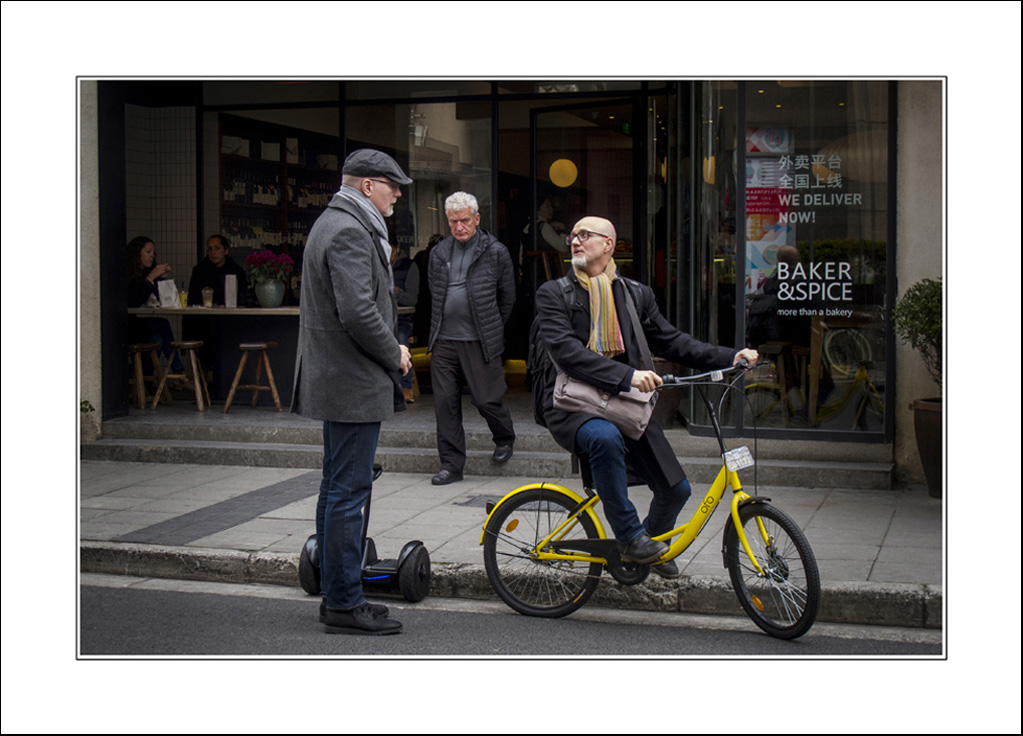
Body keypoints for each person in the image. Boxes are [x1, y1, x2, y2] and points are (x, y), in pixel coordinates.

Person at [534, 216, 758, 577]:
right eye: (572, 236)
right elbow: (567, 353)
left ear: (608, 244)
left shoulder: (635, 293)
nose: (574, 241)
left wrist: (729, 356)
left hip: (623, 402)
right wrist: (628, 375)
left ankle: (647, 552)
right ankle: (629, 538)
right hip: (571, 403)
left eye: (584, 235)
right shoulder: (555, 293)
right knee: (604, 438)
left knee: (677, 489)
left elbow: (672, 340)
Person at [291, 149, 413, 635]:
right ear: (367, 185)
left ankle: (335, 594)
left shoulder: (338, 222)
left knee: (335, 489)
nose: (398, 193)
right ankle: (343, 602)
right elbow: (358, 312)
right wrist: (396, 353)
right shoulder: (346, 229)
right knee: (348, 493)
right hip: (351, 380)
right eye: (392, 185)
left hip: (342, 379)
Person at [427, 192, 516, 485]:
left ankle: (504, 437)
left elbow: (507, 297)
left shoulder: (496, 251)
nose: (459, 226)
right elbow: (435, 293)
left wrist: (491, 327)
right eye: (453, 221)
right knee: (445, 403)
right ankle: (451, 466)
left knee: (485, 398)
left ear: (476, 219)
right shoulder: (439, 253)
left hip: (479, 339)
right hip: (444, 340)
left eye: (465, 220)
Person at [125, 236, 183, 374]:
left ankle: (174, 374)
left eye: (153, 252)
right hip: (127, 325)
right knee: (158, 332)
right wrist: (151, 277)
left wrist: (161, 279)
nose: (152, 256)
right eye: (148, 252)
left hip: (136, 323)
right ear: (137, 253)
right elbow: (134, 300)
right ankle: (175, 374)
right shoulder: (128, 273)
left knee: (160, 330)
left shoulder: (145, 273)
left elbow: (160, 300)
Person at [390, 244, 419, 403]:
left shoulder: (409, 266)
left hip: (402, 319)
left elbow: (412, 300)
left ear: (398, 248)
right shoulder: (375, 262)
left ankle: (405, 386)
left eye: (391, 251)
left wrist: (396, 292)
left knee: (401, 336)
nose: (389, 256)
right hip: (382, 319)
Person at [187, 234, 250, 307]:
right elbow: (193, 298)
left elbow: (243, 299)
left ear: (226, 250)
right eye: (210, 249)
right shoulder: (200, 271)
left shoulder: (236, 271)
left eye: (217, 248)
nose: (213, 253)